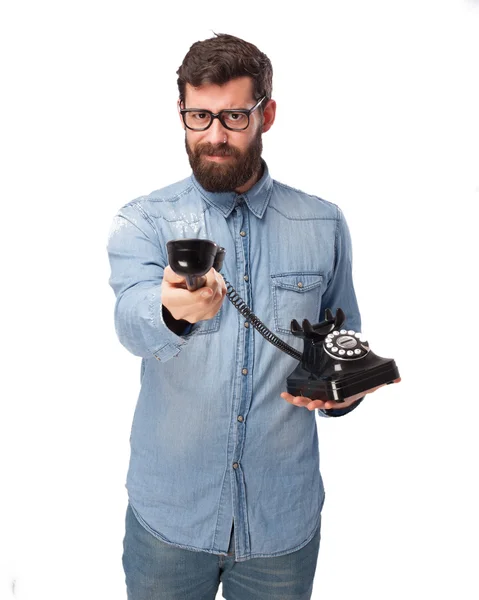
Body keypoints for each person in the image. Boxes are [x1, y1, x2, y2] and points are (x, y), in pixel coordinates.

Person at [107, 33, 396, 600]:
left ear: (267, 113)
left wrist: (345, 393)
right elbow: (131, 319)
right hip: (170, 520)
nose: (215, 135)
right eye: (200, 116)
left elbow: (341, 337)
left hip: (280, 520)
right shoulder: (143, 220)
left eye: (235, 116)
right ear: (181, 113)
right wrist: (174, 310)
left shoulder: (323, 223)